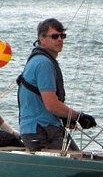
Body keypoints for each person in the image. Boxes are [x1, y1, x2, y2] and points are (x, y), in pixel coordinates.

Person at [16, 18, 96, 151]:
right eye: (54, 36)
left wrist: (65, 118)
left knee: (78, 158)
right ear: (41, 38)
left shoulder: (37, 60)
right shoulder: (43, 63)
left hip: (37, 129)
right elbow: (51, 105)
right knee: (78, 164)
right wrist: (79, 116)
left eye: (62, 36)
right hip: (42, 131)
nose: (60, 40)